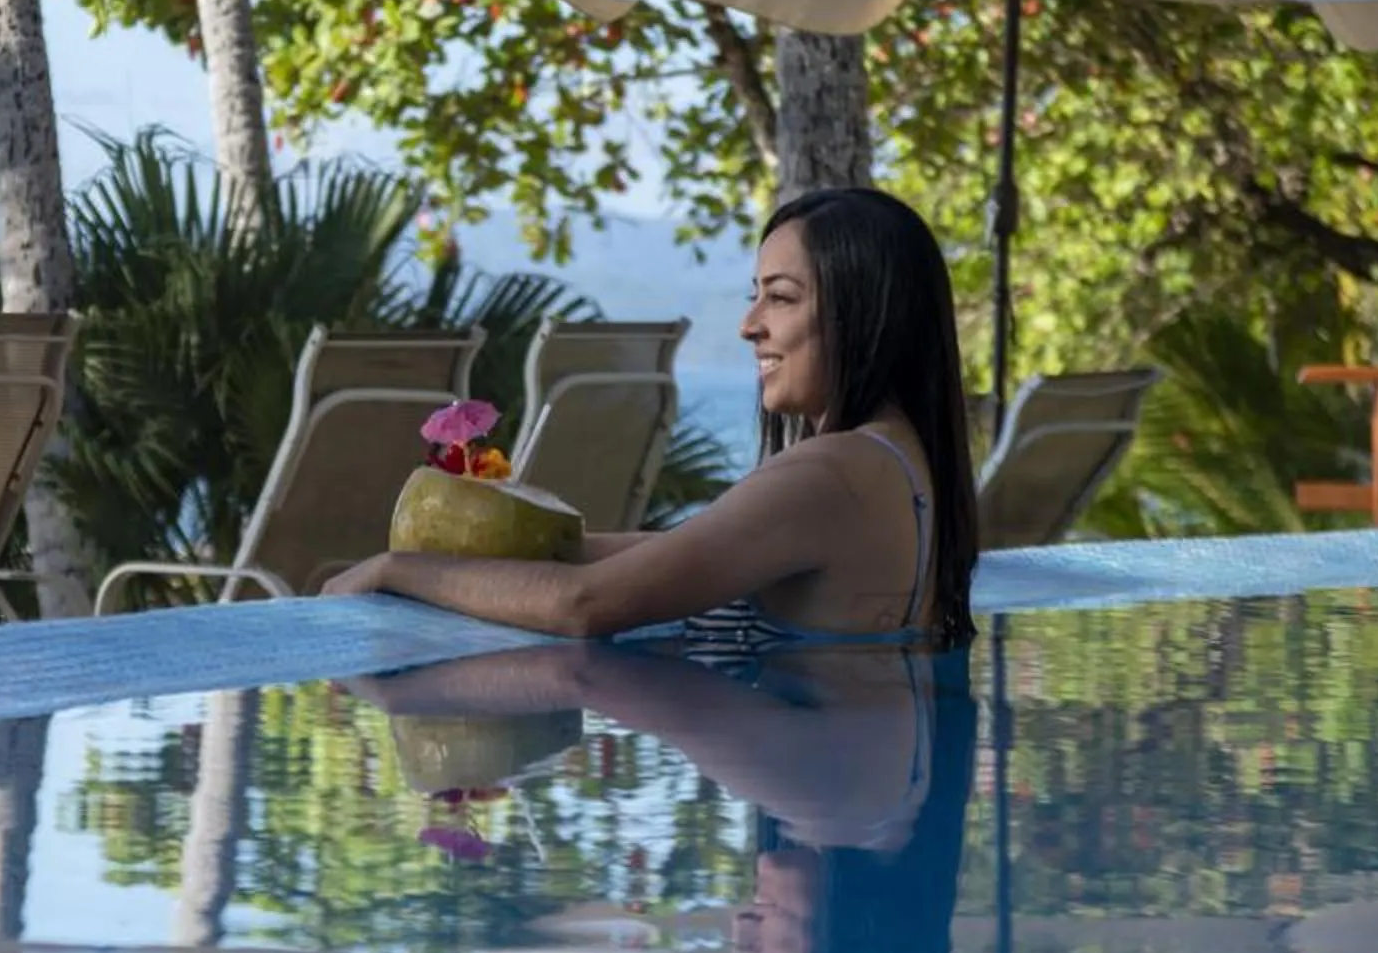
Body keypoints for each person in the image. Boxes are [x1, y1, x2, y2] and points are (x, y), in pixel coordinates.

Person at [325, 186, 979, 648]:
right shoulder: (898, 456)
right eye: (755, 296)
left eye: (780, 298)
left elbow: (588, 607)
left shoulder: (833, 472)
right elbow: (683, 552)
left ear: (865, 314)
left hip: (821, 807)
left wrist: (393, 572)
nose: (750, 326)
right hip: (857, 795)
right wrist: (529, 546)